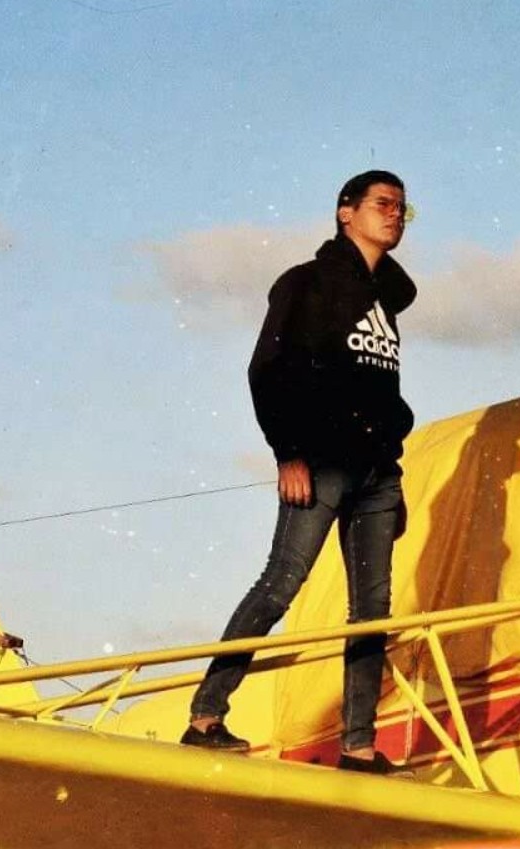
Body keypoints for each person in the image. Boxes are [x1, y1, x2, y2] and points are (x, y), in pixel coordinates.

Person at [180, 170, 417, 775]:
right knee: (281, 583)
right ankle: (205, 717)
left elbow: (383, 395)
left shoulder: (386, 301)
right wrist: (287, 451)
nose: (395, 214)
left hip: (377, 475)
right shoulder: (306, 283)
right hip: (321, 463)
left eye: (402, 208)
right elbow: (268, 369)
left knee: (373, 610)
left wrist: (393, 478)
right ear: (346, 212)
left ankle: (357, 747)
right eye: (383, 204)